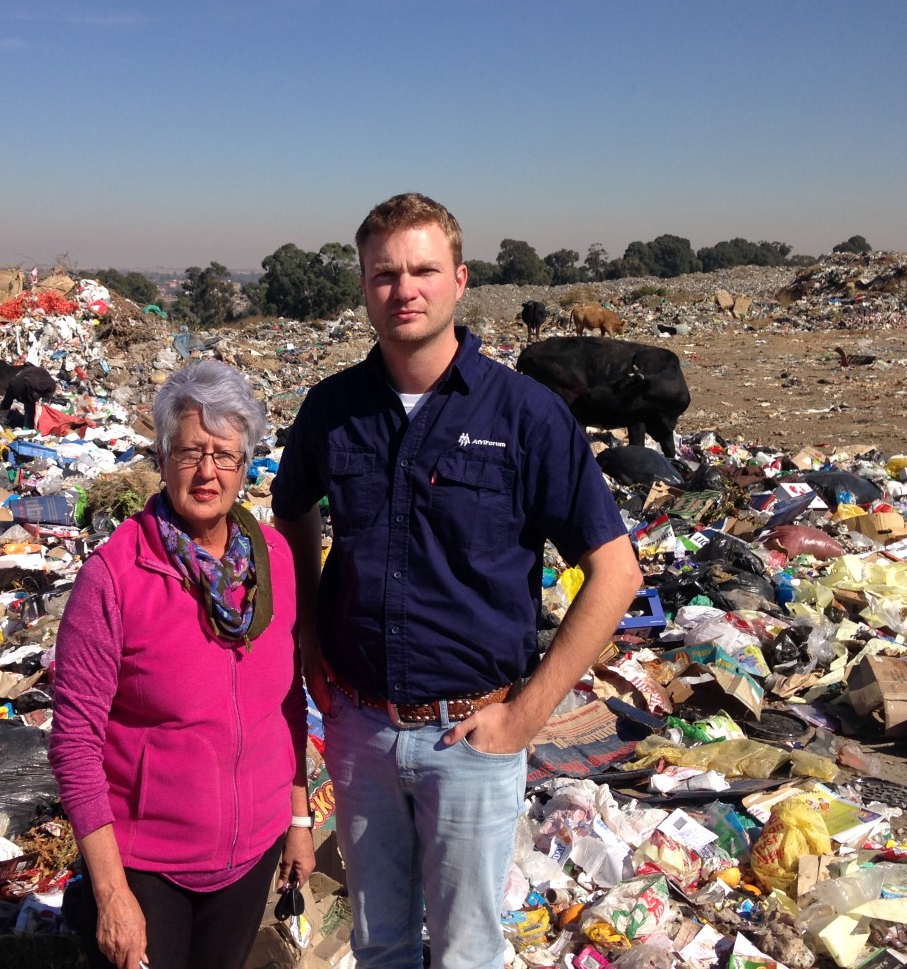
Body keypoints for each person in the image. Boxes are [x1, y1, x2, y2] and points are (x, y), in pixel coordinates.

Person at [272, 193, 643, 969]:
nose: (404, 289)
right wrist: (308, 634)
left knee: (467, 952)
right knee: (378, 944)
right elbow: (293, 510)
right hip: (359, 728)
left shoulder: (526, 416)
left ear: (460, 280)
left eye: (423, 270)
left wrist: (527, 715)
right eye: (384, 274)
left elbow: (615, 572)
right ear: (364, 286)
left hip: (472, 736)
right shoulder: (332, 409)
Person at [49, 359, 315, 969]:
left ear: (246, 465)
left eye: (225, 455)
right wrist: (111, 894)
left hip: (252, 855)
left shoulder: (274, 560)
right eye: (191, 452)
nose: (207, 472)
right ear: (164, 458)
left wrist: (298, 819)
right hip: (147, 866)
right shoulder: (115, 576)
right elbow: (75, 742)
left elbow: (287, 702)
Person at [0, 362, 58, 429]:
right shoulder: (12, 387)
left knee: (34, 408)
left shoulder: (37, 384)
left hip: (39, 377)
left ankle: (34, 426)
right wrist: (2, 417)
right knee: (28, 408)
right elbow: (6, 403)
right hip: (28, 386)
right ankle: (29, 425)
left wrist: (45, 399)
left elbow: (52, 385)